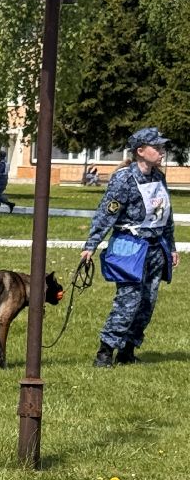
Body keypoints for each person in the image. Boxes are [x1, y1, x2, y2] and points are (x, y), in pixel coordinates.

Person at [81, 127, 179, 367]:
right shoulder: (124, 178)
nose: (162, 152)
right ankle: (105, 353)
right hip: (131, 247)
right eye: (157, 148)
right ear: (141, 151)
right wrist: (91, 244)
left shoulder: (158, 177)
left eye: (162, 147)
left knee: (147, 303)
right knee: (128, 301)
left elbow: (165, 214)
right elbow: (107, 212)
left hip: (156, 248)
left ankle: (128, 350)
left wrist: (172, 246)